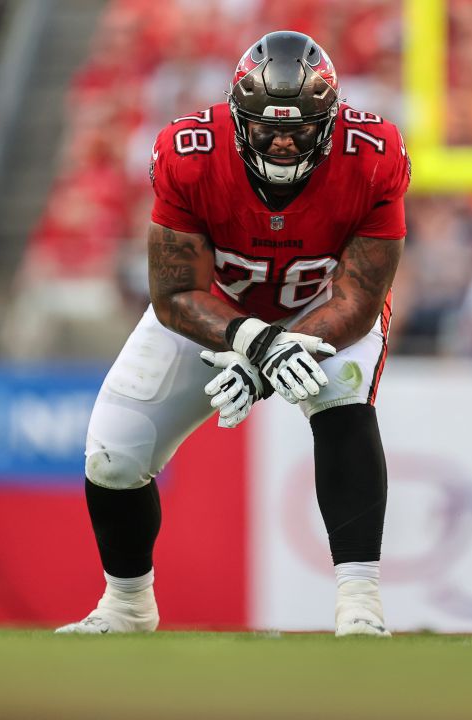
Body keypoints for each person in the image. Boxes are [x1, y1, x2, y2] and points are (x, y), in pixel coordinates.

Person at [56, 30, 409, 637]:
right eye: (267, 125)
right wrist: (252, 341)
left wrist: (276, 350)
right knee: (114, 454)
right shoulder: (190, 152)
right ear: (236, 117)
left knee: (342, 398)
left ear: (329, 122)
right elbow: (172, 293)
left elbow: (359, 295)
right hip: (213, 309)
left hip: (322, 310)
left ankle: (360, 603)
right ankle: (127, 604)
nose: (281, 140)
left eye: (299, 128)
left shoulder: (372, 154)